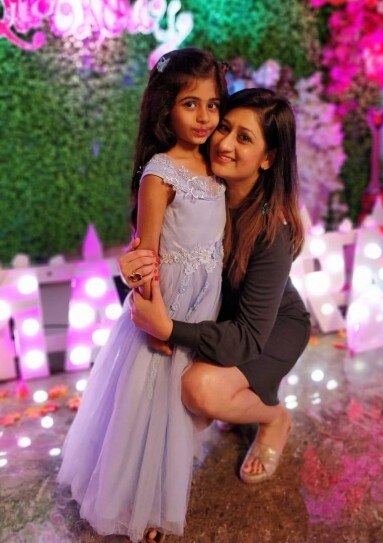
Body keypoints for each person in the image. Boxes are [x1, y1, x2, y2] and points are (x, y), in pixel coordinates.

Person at [57, 48, 228, 543]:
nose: (204, 117)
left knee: (183, 400)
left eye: (213, 105)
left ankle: (166, 480)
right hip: (167, 304)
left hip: (203, 303)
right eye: (190, 104)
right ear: (165, 107)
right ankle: (140, 504)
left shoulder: (215, 164)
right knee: (151, 400)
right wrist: (154, 322)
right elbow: (146, 252)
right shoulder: (160, 172)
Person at [122, 88, 311, 487]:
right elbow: (160, 248)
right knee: (163, 402)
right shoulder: (205, 189)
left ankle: (274, 417)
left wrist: (168, 328)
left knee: (200, 391)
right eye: (224, 128)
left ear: (267, 158)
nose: (224, 143)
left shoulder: (272, 233)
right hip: (221, 317)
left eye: (244, 138)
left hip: (268, 329)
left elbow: (247, 336)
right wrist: (136, 267)